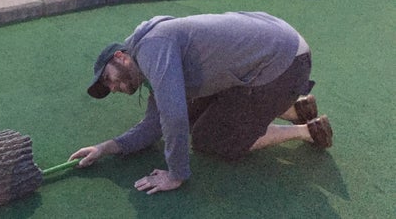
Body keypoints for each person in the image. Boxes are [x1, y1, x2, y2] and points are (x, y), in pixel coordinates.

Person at [69, 11, 333, 194]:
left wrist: (176, 173)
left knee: (211, 140)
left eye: (108, 78)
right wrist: (104, 148)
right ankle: (295, 108)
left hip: (284, 64)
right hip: (278, 48)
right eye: (109, 88)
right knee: (197, 108)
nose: (113, 87)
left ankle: (307, 131)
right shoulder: (153, 56)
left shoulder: (151, 48)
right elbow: (153, 126)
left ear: (121, 57)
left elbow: (173, 116)